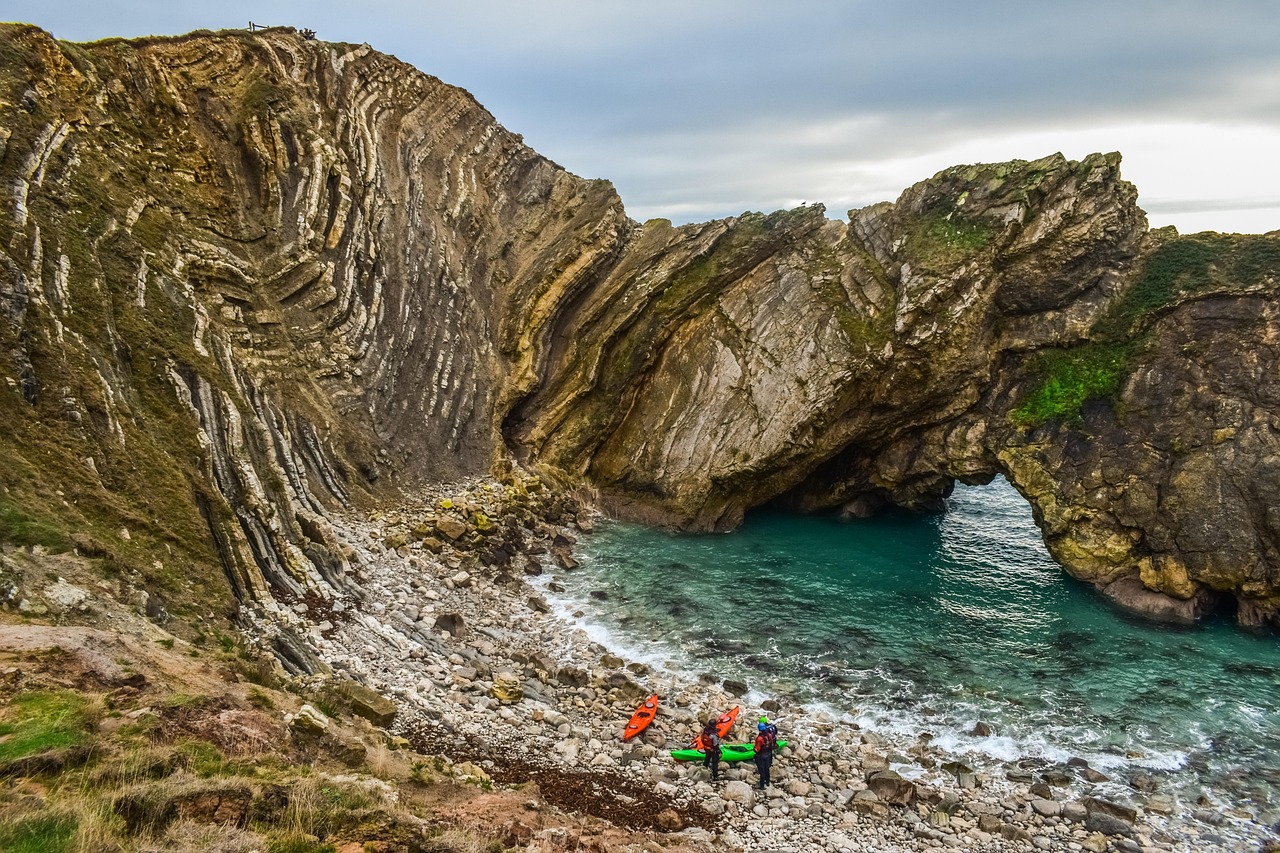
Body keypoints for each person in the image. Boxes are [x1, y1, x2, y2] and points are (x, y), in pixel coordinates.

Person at [753, 716, 778, 789]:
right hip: (768, 754)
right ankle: (767, 782)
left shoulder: (760, 738)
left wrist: (754, 749)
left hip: (761, 756)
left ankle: (762, 786)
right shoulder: (769, 735)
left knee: (762, 771)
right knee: (767, 768)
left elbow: (757, 749)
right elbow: (771, 743)